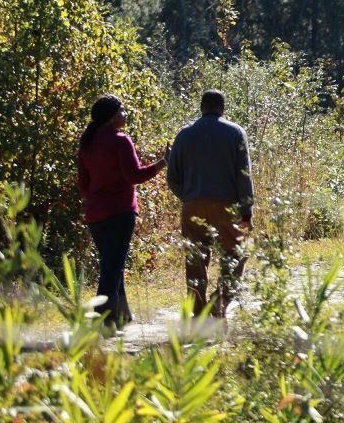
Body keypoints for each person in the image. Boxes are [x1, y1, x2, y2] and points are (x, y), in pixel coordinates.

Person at [76, 95, 166, 332]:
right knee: (112, 267)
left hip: (95, 214)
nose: (125, 115)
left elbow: (83, 187)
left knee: (112, 263)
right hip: (119, 212)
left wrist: (99, 195)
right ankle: (103, 320)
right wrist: (163, 162)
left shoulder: (87, 143)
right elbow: (135, 176)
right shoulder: (120, 140)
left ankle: (122, 314)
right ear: (111, 117)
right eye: (122, 110)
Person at [167, 89, 254, 320]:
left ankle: (198, 312)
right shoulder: (235, 132)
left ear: (201, 107)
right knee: (237, 254)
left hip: (193, 204)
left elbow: (172, 176)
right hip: (227, 205)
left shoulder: (184, 135)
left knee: (195, 259)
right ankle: (219, 301)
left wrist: (187, 196)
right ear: (222, 108)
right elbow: (244, 175)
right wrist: (247, 212)